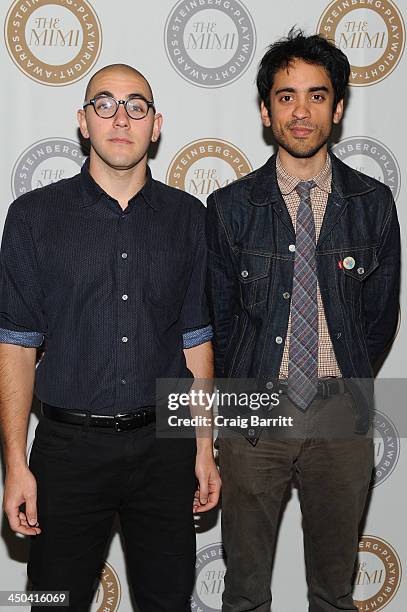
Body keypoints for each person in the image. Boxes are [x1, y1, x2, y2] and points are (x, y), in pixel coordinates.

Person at [0, 63, 221, 612]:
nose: (121, 117)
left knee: (168, 601)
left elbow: (196, 341)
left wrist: (203, 447)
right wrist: (15, 465)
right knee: (53, 602)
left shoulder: (188, 218)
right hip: (66, 451)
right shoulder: (33, 217)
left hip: (164, 450)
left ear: (156, 123)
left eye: (136, 106)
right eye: (104, 104)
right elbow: (16, 345)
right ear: (83, 121)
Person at [205, 30, 400, 611]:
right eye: (286, 96)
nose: (301, 110)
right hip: (252, 414)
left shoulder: (373, 203)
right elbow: (217, 318)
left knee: (335, 593)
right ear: (266, 111)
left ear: (337, 109)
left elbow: (379, 318)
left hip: (342, 414)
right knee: (242, 593)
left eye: (317, 96)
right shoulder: (231, 208)